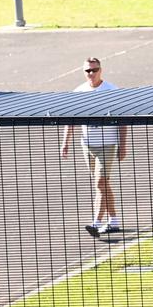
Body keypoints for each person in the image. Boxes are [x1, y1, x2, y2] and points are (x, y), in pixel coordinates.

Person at [61, 57, 127, 239]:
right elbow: (70, 119)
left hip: (107, 144)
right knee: (103, 185)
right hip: (87, 144)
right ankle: (113, 221)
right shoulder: (79, 92)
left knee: (100, 183)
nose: (91, 74)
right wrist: (65, 142)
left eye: (94, 70)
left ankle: (96, 223)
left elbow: (123, 120)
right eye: (87, 71)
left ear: (101, 70)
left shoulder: (112, 91)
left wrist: (123, 145)